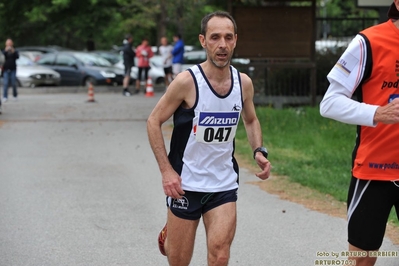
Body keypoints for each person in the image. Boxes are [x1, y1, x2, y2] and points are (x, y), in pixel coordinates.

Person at [147, 11, 271, 266]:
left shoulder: (243, 83)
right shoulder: (186, 82)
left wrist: (258, 149)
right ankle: (172, 234)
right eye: (215, 38)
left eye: (228, 37)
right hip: (185, 183)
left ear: (235, 40)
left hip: (223, 183)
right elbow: (153, 121)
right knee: (179, 259)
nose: (222, 45)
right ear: (203, 41)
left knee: (220, 255)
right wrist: (167, 172)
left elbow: (250, 119)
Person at [320, 1, 399, 265]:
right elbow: (329, 103)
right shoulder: (368, 43)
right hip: (375, 170)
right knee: (361, 260)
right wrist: (377, 113)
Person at [2, 38, 19, 104]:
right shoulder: (4, 51)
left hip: (13, 69)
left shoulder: (14, 50)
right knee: (5, 83)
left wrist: (13, 51)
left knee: (13, 83)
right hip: (6, 69)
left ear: (12, 43)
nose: (9, 44)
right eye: (8, 43)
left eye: (10, 43)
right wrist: (6, 51)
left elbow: (17, 57)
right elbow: (2, 57)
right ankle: (5, 97)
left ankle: (15, 95)